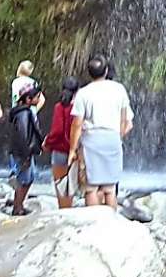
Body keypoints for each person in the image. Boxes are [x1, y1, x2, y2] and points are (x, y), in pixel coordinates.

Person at [68, 55, 131, 208]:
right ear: (106, 70)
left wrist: (72, 149)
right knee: (110, 189)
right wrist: (119, 136)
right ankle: (111, 223)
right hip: (112, 137)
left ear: (89, 73)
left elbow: (77, 124)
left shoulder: (83, 93)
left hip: (91, 140)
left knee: (91, 189)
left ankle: (94, 224)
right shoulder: (119, 89)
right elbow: (125, 119)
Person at [7, 83, 46, 216]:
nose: (39, 99)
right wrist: (26, 156)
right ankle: (17, 207)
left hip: (24, 151)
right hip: (24, 152)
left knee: (29, 178)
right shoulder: (24, 113)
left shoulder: (22, 111)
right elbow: (23, 135)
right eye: (37, 97)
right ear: (28, 99)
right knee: (24, 179)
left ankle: (19, 205)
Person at [45, 77, 80, 209]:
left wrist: (47, 143)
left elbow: (57, 130)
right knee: (71, 184)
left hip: (59, 150)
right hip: (74, 150)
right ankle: (69, 208)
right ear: (77, 91)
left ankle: (63, 210)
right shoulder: (79, 108)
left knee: (61, 185)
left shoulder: (59, 107)